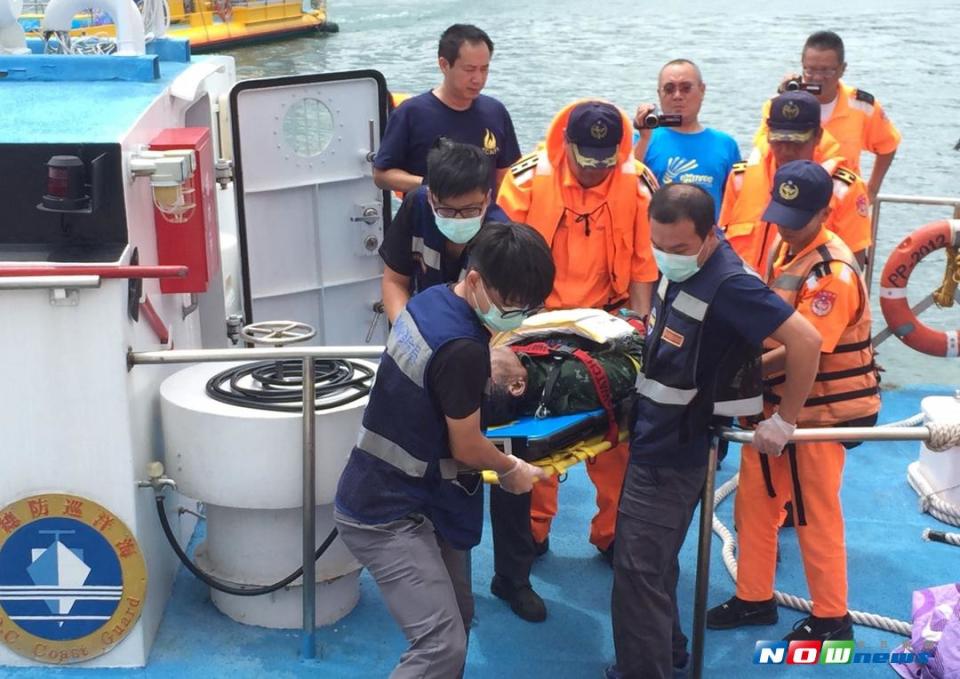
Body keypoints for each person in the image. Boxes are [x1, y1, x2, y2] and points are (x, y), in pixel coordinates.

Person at [608, 183, 823, 679]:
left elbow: (806, 340)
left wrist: (784, 419)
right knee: (653, 565)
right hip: (653, 433)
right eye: (657, 246)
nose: (666, 257)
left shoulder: (731, 284)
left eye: (679, 249)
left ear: (710, 237)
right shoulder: (682, 264)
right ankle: (670, 653)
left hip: (676, 448)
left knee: (638, 571)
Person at [334, 221, 555, 679]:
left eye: (526, 308)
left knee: (459, 611)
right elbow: (469, 446)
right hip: (385, 514)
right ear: (475, 281)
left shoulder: (431, 301)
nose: (517, 317)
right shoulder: (462, 349)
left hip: (416, 496)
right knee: (441, 643)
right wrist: (511, 467)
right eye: (511, 306)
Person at [494, 99, 660, 621]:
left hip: (608, 324)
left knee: (616, 438)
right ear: (565, 145)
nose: (594, 170)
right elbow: (500, 260)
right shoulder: (522, 183)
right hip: (535, 326)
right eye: (585, 159)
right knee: (534, 442)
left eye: (604, 160)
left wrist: (634, 337)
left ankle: (612, 534)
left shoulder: (637, 186)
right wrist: (509, 339)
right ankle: (531, 537)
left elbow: (642, 266)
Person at [707, 160, 880, 643]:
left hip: (813, 416)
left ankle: (832, 618)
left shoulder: (834, 273)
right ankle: (754, 597)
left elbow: (803, 349)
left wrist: (732, 378)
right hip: (773, 408)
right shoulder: (788, 250)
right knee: (755, 507)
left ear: (825, 212)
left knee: (814, 516)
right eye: (779, 212)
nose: (783, 223)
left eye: (796, 216)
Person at [719, 91, 872, 271]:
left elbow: (853, 261)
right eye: (778, 141)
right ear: (768, 135)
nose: (786, 150)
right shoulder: (741, 177)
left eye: (797, 142)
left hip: (808, 293)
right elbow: (724, 243)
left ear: (818, 136)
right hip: (743, 290)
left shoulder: (844, 188)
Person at [753, 30, 901, 201]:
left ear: (842, 69)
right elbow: (763, 149)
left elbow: (888, 145)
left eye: (826, 71)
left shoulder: (861, 106)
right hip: (790, 200)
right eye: (810, 70)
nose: (817, 78)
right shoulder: (779, 106)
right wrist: (787, 99)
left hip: (840, 202)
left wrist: (872, 190)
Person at [373, 24, 521, 194]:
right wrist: (433, 185)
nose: (478, 79)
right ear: (444, 65)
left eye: (484, 69)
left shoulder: (496, 111)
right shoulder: (411, 113)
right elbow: (382, 175)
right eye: (469, 69)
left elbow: (507, 175)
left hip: (485, 217)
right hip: (429, 215)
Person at [379, 138, 508, 323]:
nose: (458, 218)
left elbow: (499, 317)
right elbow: (394, 281)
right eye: (446, 210)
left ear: (487, 198)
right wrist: (406, 331)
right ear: (430, 198)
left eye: (470, 210)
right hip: (421, 321)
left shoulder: (500, 238)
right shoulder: (417, 206)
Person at [632, 59, 740, 220]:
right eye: (669, 89)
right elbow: (624, 190)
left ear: (702, 90)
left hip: (709, 241)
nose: (677, 96)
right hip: (656, 241)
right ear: (659, 94)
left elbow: (735, 203)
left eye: (686, 88)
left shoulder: (725, 144)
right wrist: (644, 138)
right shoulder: (642, 140)